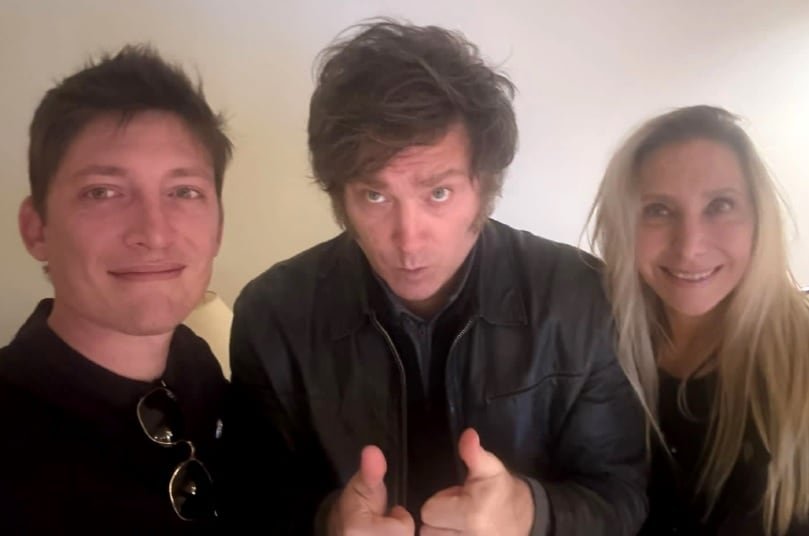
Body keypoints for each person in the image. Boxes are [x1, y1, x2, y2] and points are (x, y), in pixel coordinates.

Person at [225, 20, 646, 535]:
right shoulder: (272, 315)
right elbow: (253, 501)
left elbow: (622, 497)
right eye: (375, 196)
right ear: (341, 198)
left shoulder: (581, 297)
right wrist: (329, 523)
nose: (409, 240)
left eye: (438, 193)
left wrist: (531, 514)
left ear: (485, 186)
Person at [0, 45, 232, 533]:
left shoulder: (197, 365)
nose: (154, 232)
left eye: (184, 192)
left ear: (219, 227)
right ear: (36, 228)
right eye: (103, 192)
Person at [588, 105, 809, 535]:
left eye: (720, 205)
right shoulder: (588, 345)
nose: (689, 247)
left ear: (759, 219)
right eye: (658, 210)